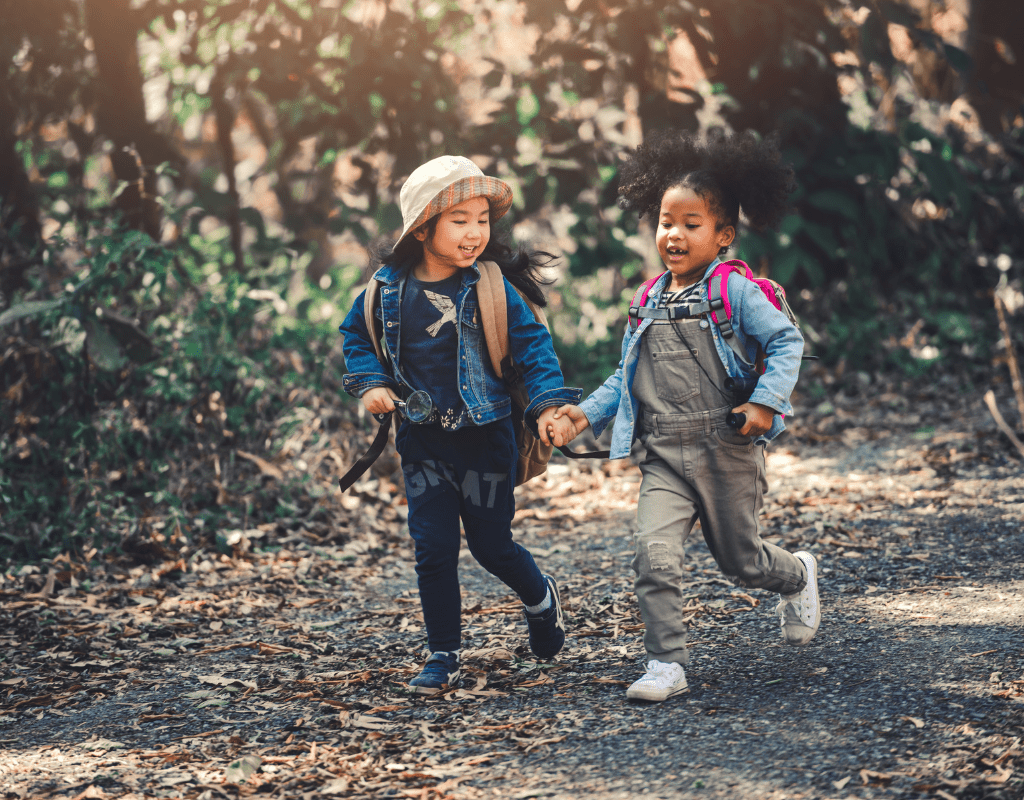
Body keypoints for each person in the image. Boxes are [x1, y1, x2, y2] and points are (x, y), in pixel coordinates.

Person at [547, 130, 820, 702]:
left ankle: (796, 573)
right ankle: (666, 662)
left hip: (726, 448)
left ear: (723, 236)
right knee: (654, 554)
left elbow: (787, 342)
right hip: (664, 454)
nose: (674, 234)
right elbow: (627, 376)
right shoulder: (647, 299)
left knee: (742, 563)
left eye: (691, 224)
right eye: (666, 221)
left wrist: (766, 402)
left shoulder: (736, 291)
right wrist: (582, 417)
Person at [340, 156, 581, 695]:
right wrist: (371, 382)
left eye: (482, 219)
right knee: (432, 545)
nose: (475, 232)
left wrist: (546, 407)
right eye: (460, 220)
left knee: (492, 545)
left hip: (485, 436)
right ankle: (443, 652)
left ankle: (541, 597)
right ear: (422, 227)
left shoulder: (492, 287)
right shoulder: (385, 290)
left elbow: (533, 349)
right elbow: (355, 336)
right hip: (422, 441)